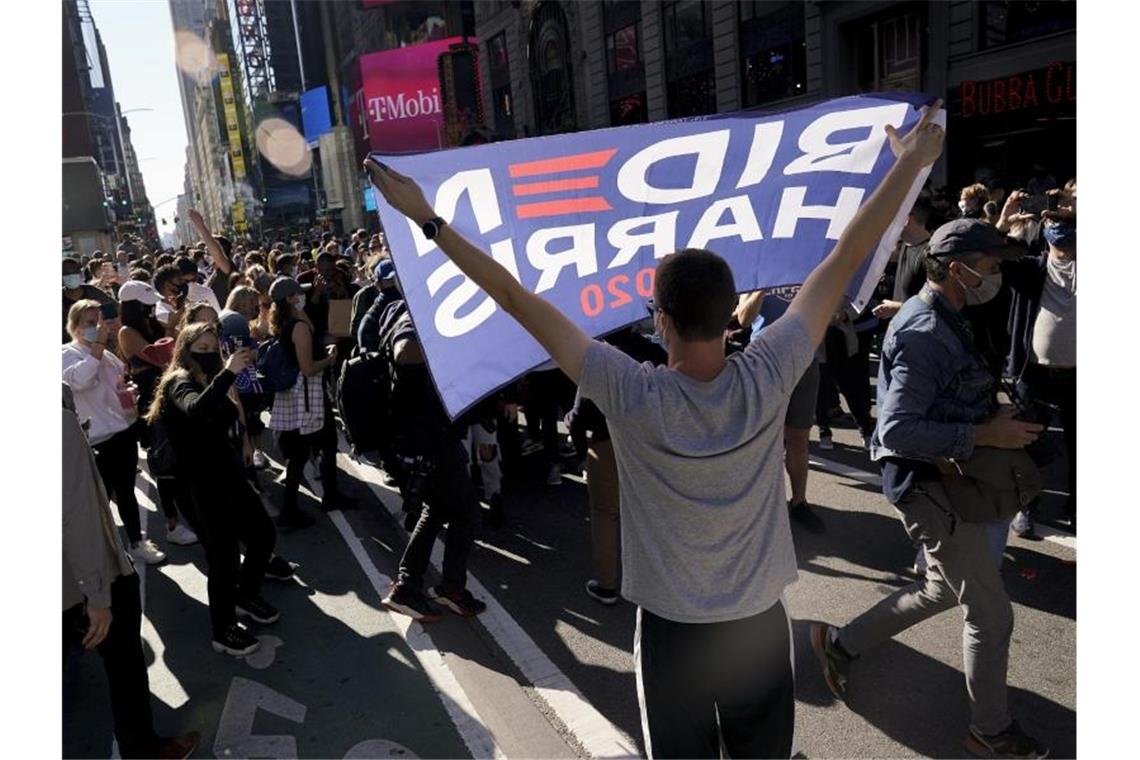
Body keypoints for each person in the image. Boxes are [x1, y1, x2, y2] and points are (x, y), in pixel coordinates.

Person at [366, 98, 945, 758]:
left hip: (673, 637)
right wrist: (910, 166)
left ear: (660, 320)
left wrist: (427, 218)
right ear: (731, 313)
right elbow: (843, 257)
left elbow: (515, 298)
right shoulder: (771, 368)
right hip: (758, 628)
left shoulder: (627, 389)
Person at [811, 218, 1050, 759]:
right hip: (927, 486)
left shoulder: (949, 314)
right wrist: (986, 433)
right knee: (991, 615)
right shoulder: (923, 330)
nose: (996, 276)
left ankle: (840, 644)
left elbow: (942, 399)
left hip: (943, 480)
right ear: (957, 269)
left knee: (942, 589)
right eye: (990, 266)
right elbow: (896, 430)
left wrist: (991, 413)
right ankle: (990, 731)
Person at [63, 384, 200, 760]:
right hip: (85, 582)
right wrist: (97, 594)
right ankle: (142, 749)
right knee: (124, 664)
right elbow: (77, 515)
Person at [146, 322, 278, 657]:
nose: (208, 355)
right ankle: (223, 629)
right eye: (201, 349)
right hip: (198, 485)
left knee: (263, 534)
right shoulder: (178, 382)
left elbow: (231, 415)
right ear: (186, 351)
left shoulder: (213, 378)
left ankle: (245, 595)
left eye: (212, 348)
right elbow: (197, 409)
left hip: (229, 474)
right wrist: (228, 372)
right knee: (224, 558)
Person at [375, 299, 486, 621]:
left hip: (432, 437)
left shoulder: (429, 313)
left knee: (437, 509)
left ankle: (411, 586)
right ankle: (445, 588)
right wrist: (446, 343)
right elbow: (405, 352)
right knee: (467, 513)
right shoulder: (414, 315)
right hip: (429, 441)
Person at [63, 300, 166, 565]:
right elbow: (80, 380)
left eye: (100, 321)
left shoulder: (107, 354)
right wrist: (98, 345)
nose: (97, 327)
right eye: (90, 322)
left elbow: (116, 384)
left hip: (122, 431)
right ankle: (106, 552)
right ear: (74, 326)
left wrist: (128, 391)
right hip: (96, 439)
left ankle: (136, 543)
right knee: (100, 500)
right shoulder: (66, 354)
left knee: (126, 491)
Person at [1004, 204, 1077, 535]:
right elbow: (995, 255)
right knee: (1027, 443)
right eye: (1053, 220)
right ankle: (1026, 505)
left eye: (1068, 221)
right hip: (1035, 374)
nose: (1060, 228)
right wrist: (1004, 221)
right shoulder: (1031, 268)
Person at [735, 288, 827, 533]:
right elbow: (743, 319)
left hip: (804, 359)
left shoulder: (805, 270)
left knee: (799, 437)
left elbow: (825, 310)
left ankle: (799, 502)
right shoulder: (758, 272)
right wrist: (762, 288)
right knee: (763, 440)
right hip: (763, 362)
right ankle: (762, 506)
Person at [266, 277, 354, 528]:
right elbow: (307, 368)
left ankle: (308, 503)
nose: (302, 296)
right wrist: (329, 359)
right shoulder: (299, 327)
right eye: (298, 294)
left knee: (310, 450)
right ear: (290, 299)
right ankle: (298, 508)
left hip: (300, 397)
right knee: (311, 450)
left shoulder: (287, 322)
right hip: (308, 396)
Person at [116, 281, 198, 547]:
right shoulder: (127, 331)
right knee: (163, 462)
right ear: (134, 306)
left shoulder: (151, 324)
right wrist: (171, 330)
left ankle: (189, 514)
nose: (152, 307)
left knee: (179, 458)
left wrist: (178, 318)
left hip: (168, 392)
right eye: (147, 304)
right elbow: (160, 356)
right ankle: (173, 524)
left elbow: (176, 344)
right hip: (150, 399)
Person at [63, 256, 114, 343]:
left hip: (99, 341)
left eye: (74, 272)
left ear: (80, 273)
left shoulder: (92, 292)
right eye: (66, 273)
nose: (71, 276)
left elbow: (113, 311)